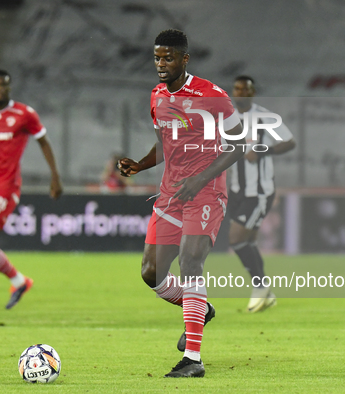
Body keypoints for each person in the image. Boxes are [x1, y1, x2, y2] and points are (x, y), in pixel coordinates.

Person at [118, 29, 246, 378]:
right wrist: (139, 165)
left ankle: (193, 359)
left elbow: (238, 145)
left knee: (191, 262)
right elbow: (165, 143)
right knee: (151, 273)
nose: (161, 64)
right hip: (171, 193)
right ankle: (199, 307)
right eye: (157, 57)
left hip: (206, 191)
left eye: (168, 57)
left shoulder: (214, 96)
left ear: (184, 59)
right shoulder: (157, 96)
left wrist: (200, 179)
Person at [0, 70, 62, 311]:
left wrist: (55, 177)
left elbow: (43, 142)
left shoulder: (24, 114)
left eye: (3, 85)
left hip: (6, 185)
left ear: (9, 87)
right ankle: (19, 281)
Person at [228, 75, 295, 312]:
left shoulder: (265, 117)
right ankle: (266, 292)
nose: (240, 93)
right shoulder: (227, 118)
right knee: (248, 241)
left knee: (236, 239)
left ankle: (260, 288)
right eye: (237, 89)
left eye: (245, 90)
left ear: (253, 92)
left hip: (258, 192)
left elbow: (289, 142)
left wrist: (262, 149)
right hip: (236, 189)